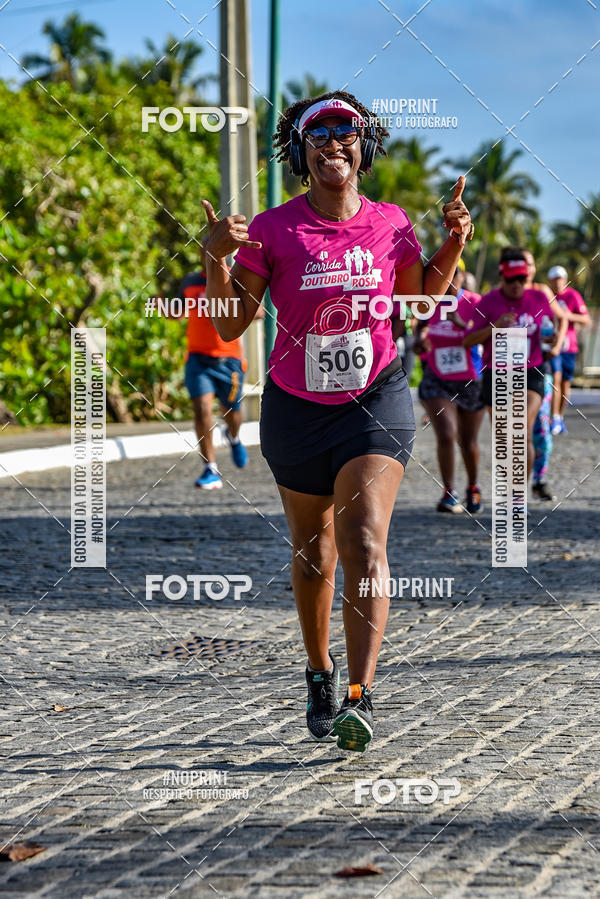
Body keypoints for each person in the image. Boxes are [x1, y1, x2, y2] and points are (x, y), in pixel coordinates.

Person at [201, 91, 472, 752]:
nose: (333, 144)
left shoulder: (391, 222)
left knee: (364, 536)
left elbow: (419, 298)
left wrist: (453, 244)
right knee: (313, 551)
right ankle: (320, 672)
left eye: (345, 132)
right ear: (301, 151)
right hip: (296, 408)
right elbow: (230, 322)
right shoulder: (273, 229)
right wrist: (215, 257)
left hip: (375, 399)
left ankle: (360, 692)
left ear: (363, 145)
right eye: (317, 134)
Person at [463, 250, 568, 487]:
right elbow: (467, 341)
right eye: (511, 279)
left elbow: (557, 322)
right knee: (504, 440)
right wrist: (495, 327)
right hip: (496, 374)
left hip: (531, 371)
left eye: (521, 279)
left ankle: (518, 497)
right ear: (502, 277)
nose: (517, 285)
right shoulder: (488, 301)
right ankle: (510, 487)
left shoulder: (539, 298)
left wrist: (555, 342)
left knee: (522, 429)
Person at [414, 260, 485, 513]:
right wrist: (420, 342)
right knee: (446, 433)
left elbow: (487, 335)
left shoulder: (475, 302)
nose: (446, 278)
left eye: (451, 273)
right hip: (437, 378)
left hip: (471, 380)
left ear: (462, 275)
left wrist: (462, 326)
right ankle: (449, 491)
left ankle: (473, 487)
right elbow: (420, 331)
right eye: (439, 274)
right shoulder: (429, 304)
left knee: (468, 442)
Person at [180, 249, 252, 489]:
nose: (209, 256)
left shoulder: (235, 278)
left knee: (231, 412)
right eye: (205, 252)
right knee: (201, 409)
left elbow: (257, 310)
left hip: (229, 360)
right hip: (198, 359)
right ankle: (210, 468)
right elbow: (178, 310)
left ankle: (233, 436)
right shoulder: (191, 282)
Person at [521, 249, 556, 501]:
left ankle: (539, 479)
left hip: (538, 370)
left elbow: (560, 320)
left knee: (539, 430)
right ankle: (515, 493)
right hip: (507, 372)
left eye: (530, 263)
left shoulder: (541, 292)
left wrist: (556, 343)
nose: (526, 268)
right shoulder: (500, 296)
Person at [547, 265, 591, 436]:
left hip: (569, 347)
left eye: (560, 279)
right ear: (550, 281)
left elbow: (585, 319)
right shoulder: (547, 297)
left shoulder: (573, 295)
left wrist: (566, 315)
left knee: (565, 384)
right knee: (555, 378)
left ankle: (560, 417)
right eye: (554, 279)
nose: (558, 282)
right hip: (552, 345)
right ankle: (553, 417)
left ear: (565, 280)